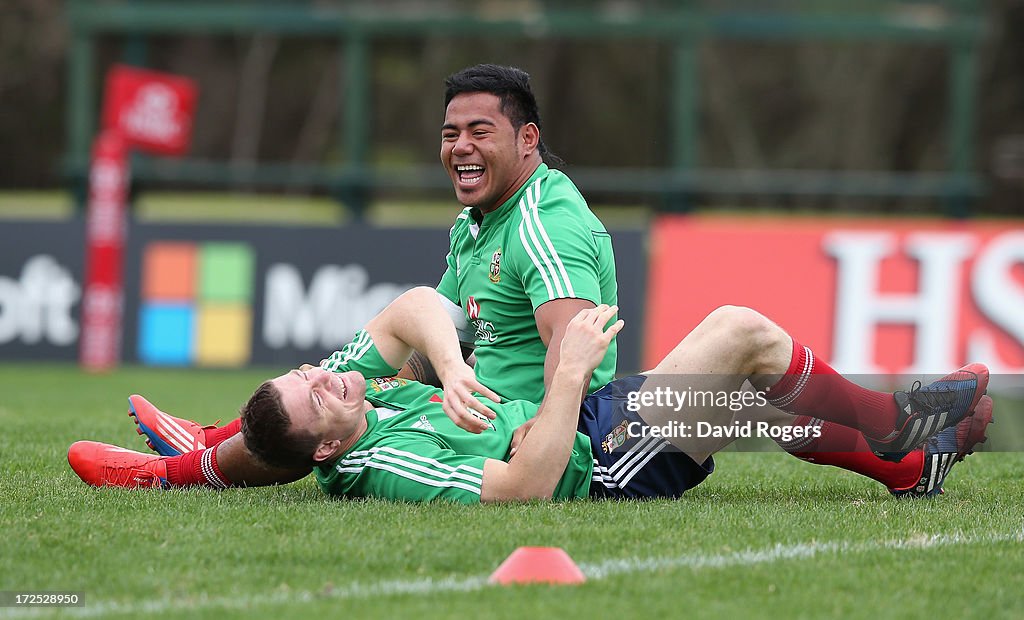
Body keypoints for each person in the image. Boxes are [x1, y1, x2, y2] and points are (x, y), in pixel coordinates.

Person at [68, 293, 992, 502]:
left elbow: (411, 309)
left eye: (310, 370)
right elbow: (526, 491)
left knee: (762, 405)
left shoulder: (357, 401)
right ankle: (905, 418)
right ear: (327, 449)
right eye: (317, 391)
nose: (325, 372)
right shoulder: (383, 460)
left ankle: (908, 462)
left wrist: (454, 366)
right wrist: (565, 375)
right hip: (598, 462)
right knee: (742, 335)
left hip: (591, 418)